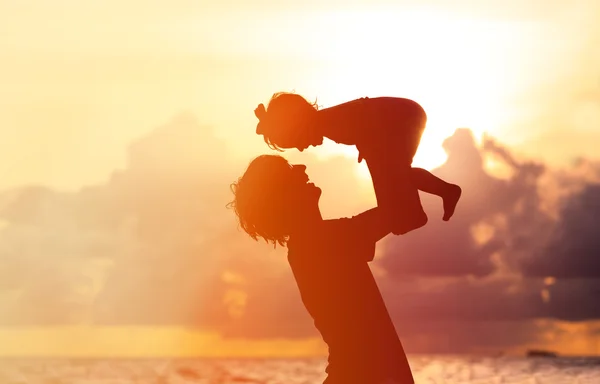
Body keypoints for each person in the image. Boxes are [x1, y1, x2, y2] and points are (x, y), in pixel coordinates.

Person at [228, 154, 415, 384]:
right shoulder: (322, 242)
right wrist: (377, 149)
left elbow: (406, 213)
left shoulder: (316, 242)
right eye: (288, 171)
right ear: (283, 197)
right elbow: (406, 212)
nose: (301, 166)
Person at [253, 92, 462, 235]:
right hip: (399, 120)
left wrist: (372, 148)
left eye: (297, 142)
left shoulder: (330, 122)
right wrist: (369, 148)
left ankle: (420, 208)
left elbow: (367, 117)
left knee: (395, 176)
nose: (301, 148)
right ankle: (411, 211)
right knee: (395, 177)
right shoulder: (328, 124)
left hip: (402, 119)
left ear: (301, 124)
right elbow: (363, 123)